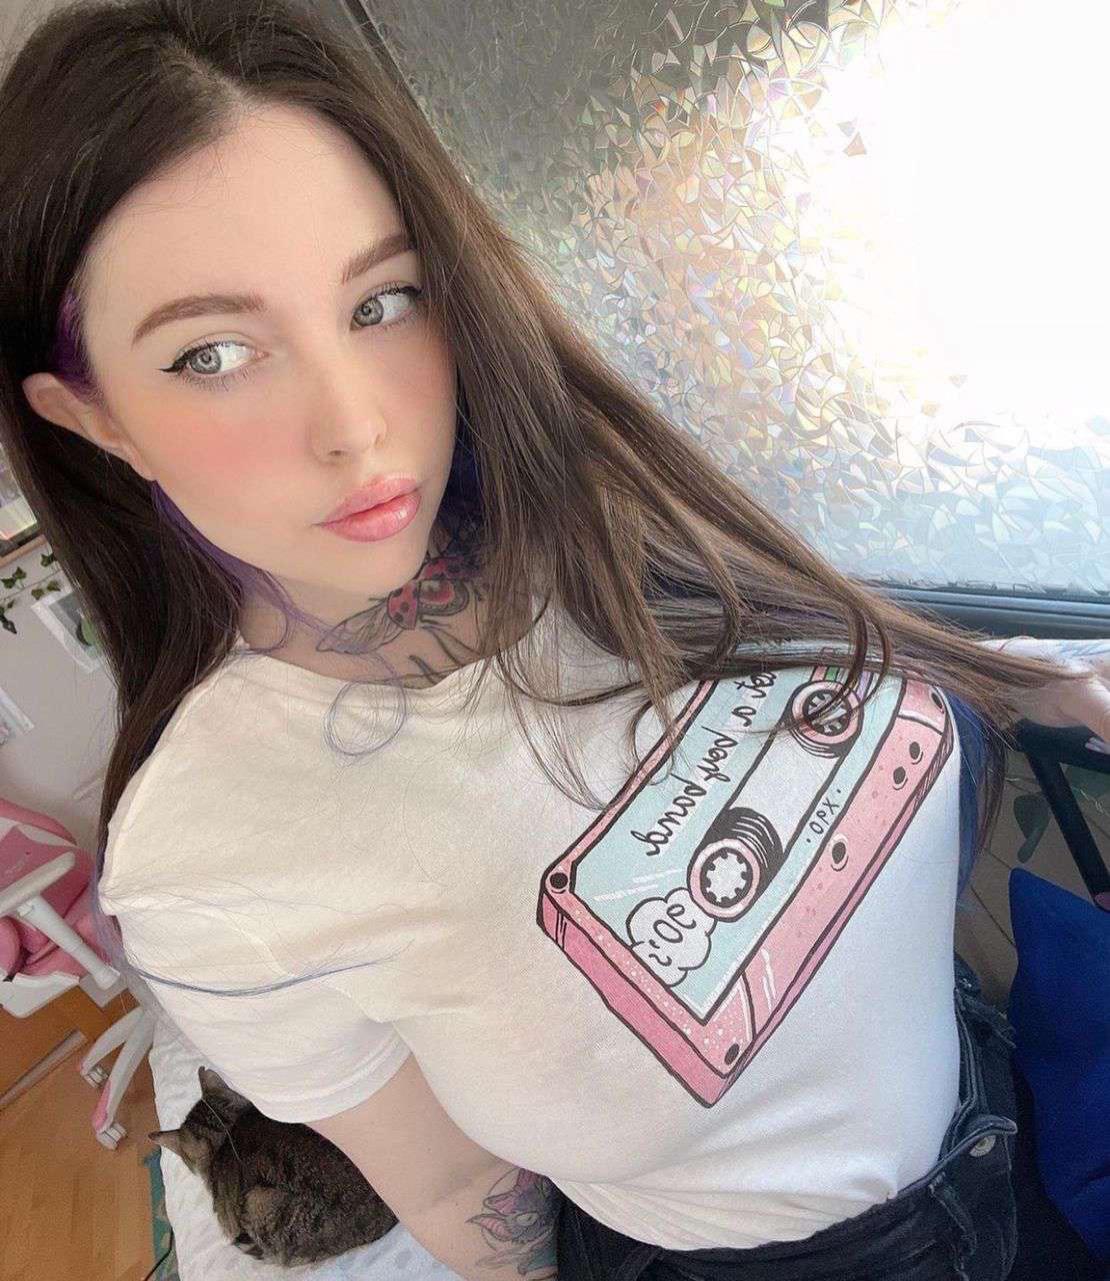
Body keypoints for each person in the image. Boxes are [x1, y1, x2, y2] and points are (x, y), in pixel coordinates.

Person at [0, 2, 1100, 1278]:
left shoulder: (608, 501)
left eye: (383, 300)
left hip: (1000, 1094)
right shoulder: (209, 858)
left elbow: (848, 646)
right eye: (214, 353)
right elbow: (466, 1198)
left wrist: (1039, 684)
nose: (356, 426)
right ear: (92, 416)